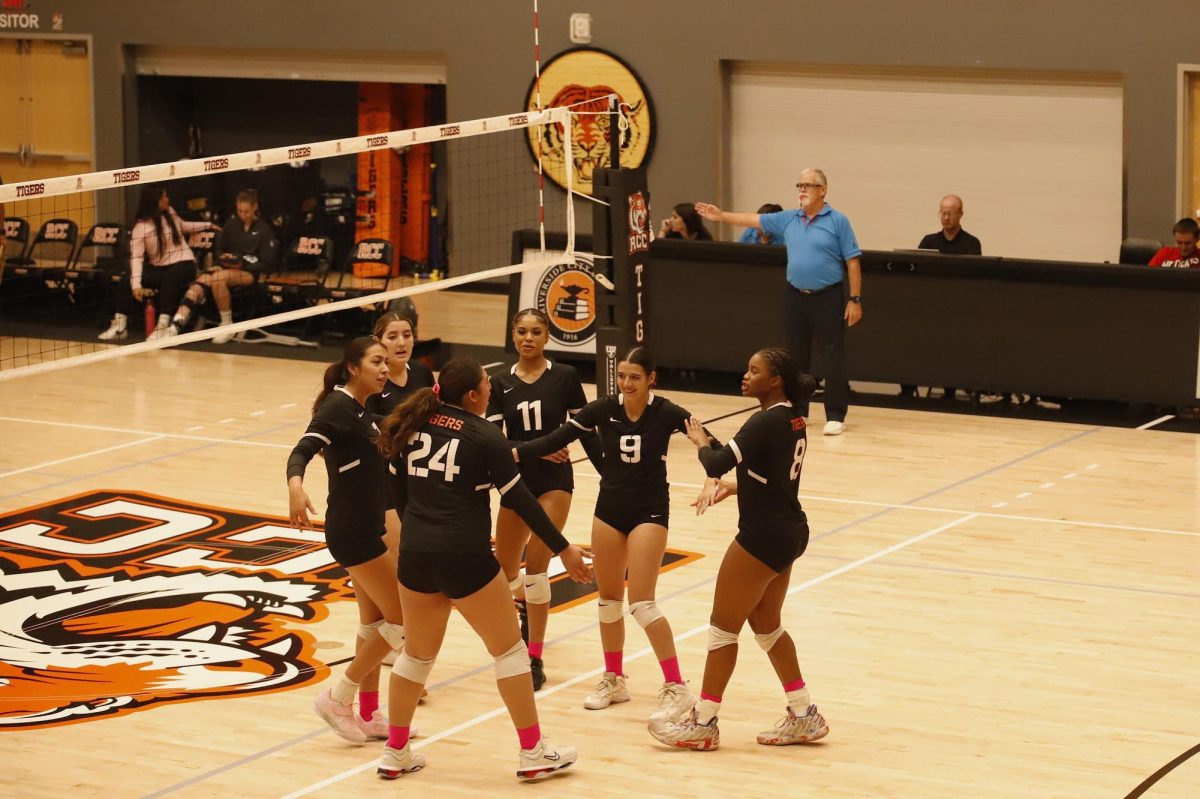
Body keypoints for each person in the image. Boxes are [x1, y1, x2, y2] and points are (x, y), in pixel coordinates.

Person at [375, 357, 591, 781]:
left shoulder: (413, 427)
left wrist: (423, 527)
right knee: (510, 651)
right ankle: (533, 753)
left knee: (416, 657)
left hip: (416, 555)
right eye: (487, 387)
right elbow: (523, 500)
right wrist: (562, 547)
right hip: (465, 556)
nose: (492, 391)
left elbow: (398, 495)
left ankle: (395, 750)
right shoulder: (485, 435)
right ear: (473, 396)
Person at [648, 347, 829, 751]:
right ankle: (803, 714)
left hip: (762, 536)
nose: (745, 376)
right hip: (789, 531)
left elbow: (715, 463)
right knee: (767, 627)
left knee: (721, 629)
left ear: (775, 380)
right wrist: (739, 484)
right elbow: (772, 471)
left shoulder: (763, 421)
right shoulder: (794, 418)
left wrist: (697, 440)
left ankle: (704, 723)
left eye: (754, 371)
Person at [514, 347, 703, 723]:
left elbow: (706, 442)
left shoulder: (666, 412)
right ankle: (614, 678)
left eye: (636, 377)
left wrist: (712, 473)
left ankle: (676, 686)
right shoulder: (602, 409)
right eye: (623, 376)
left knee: (642, 603)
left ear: (652, 378)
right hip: (609, 511)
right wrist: (512, 454)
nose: (627, 383)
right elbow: (557, 438)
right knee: (608, 599)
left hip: (649, 511)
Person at [286, 337, 410, 744]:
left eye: (384, 361)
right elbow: (302, 449)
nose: (384, 367)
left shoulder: (361, 410)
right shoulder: (337, 407)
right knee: (401, 617)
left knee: (373, 621)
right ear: (353, 368)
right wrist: (296, 486)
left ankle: (369, 713)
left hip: (365, 524)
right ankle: (339, 698)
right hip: (352, 531)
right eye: (376, 361)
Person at [697, 168, 863, 436]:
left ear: (822, 190)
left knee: (833, 356)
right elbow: (755, 219)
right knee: (795, 357)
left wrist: (855, 299)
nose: (802, 189)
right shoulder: (789, 219)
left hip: (829, 296)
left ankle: (835, 414)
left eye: (808, 185)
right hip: (796, 295)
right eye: (799, 184)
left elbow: (853, 261)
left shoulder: (837, 221)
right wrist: (722, 216)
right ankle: (799, 409)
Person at [486, 308, 600, 690]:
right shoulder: (499, 383)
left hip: (554, 482)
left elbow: (586, 431)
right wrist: (539, 448)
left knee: (537, 560)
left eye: (536, 331)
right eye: (521, 332)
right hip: (514, 482)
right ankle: (522, 607)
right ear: (513, 335)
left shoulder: (565, 377)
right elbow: (496, 445)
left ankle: (533, 656)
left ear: (547, 335)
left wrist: (611, 474)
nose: (528, 338)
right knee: (504, 569)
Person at [99, 185, 218, 341]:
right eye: (164, 196)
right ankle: (120, 326)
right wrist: (136, 285)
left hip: (184, 263)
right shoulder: (141, 228)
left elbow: (182, 226)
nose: (168, 199)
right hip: (160, 267)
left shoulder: (169, 212)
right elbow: (137, 258)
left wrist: (208, 225)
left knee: (171, 278)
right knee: (125, 280)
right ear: (156, 201)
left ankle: (162, 325)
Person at [175, 189, 279, 343]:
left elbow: (267, 262)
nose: (242, 215)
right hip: (226, 268)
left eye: (246, 211)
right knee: (200, 281)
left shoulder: (264, 229)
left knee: (217, 279)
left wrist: (242, 263)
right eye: (239, 211)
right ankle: (175, 324)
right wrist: (223, 258)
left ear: (255, 207)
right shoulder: (231, 224)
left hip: (249, 272)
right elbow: (219, 249)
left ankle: (226, 325)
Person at [917, 194, 982, 255]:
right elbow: (916, 265)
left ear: (960, 214)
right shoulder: (928, 242)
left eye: (951, 214)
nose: (946, 218)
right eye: (943, 213)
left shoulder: (971, 243)